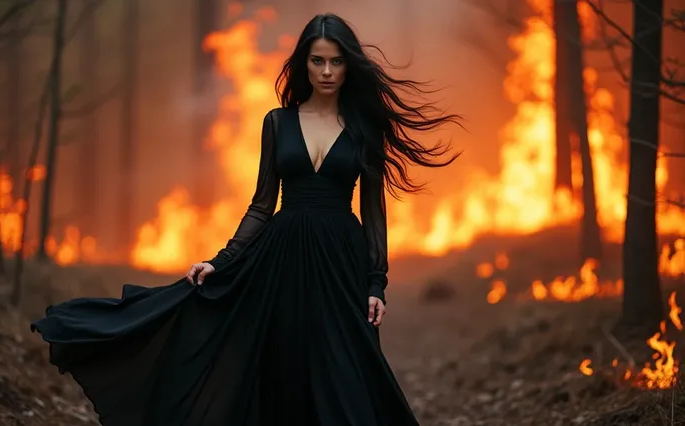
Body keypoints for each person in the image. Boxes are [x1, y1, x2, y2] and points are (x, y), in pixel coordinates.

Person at [31, 12, 460, 426]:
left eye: (336, 61)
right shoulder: (277, 122)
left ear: (348, 64)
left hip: (341, 263)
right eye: (317, 60)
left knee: (348, 373)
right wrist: (221, 261)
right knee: (285, 371)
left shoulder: (366, 128)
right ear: (303, 64)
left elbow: (373, 211)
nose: (327, 71)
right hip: (282, 261)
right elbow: (261, 204)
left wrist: (376, 282)